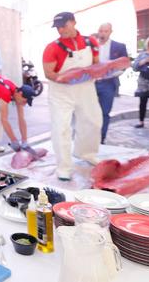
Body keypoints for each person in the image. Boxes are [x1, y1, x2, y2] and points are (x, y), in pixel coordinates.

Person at [43, 12, 102, 181]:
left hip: (86, 89)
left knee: (93, 121)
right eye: (58, 27)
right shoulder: (52, 48)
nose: (61, 30)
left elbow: (96, 64)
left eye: (64, 25)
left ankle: (86, 153)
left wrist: (99, 72)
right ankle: (64, 167)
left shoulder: (91, 42)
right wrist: (66, 78)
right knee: (61, 127)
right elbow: (49, 73)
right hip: (61, 92)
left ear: (74, 22)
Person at [95, 22, 128, 144]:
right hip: (90, 84)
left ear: (110, 32)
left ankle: (101, 139)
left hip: (108, 84)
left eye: (106, 31)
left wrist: (111, 73)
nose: (103, 33)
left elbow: (124, 65)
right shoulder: (91, 46)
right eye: (101, 31)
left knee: (104, 112)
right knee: (89, 112)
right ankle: (90, 138)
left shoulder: (119, 47)